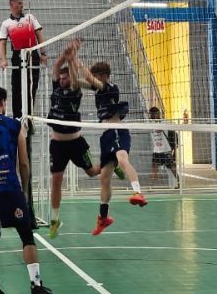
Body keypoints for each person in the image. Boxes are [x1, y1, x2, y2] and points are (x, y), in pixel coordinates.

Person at [0, 86, 54, 294]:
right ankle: (36, 287)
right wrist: (25, 190)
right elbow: (24, 162)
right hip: (9, 186)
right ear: (3, 102)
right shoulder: (13, 125)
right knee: (26, 235)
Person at [46, 40, 102, 238]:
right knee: (56, 181)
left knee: (93, 172)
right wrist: (65, 53)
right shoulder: (56, 89)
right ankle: (54, 220)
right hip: (58, 145)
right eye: (60, 78)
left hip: (76, 143)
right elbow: (55, 67)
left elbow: (74, 75)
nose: (62, 80)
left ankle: (112, 161)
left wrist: (72, 59)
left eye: (65, 78)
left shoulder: (75, 90)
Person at [87, 61, 147, 236]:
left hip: (117, 130)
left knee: (122, 159)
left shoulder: (110, 88)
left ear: (104, 76)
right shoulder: (99, 89)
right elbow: (84, 81)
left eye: (97, 77)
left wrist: (75, 59)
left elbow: (88, 78)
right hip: (105, 135)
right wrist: (71, 64)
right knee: (104, 178)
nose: (94, 80)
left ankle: (138, 193)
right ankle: (103, 218)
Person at [0, 0, 47, 120]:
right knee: (17, 86)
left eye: (22, 4)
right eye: (19, 3)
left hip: (32, 53)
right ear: (12, 4)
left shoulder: (30, 17)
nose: (21, 6)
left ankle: (29, 115)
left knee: (32, 86)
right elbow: (2, 42)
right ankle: (17, 116)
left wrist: (43, 53)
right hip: (17, 55)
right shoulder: (6, 23)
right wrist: (3, 59)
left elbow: (39, 35)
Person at [148, 107, 180, 188]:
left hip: (166, 149)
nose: (155, 115)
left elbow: (174, 135)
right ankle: (152, 185)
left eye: (156, 113)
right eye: (153, 114)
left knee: (172, 167)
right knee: (154, 167)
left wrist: (174, 151)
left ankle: (179, 183)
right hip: (156, 150)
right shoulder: (149, 124)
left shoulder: (164, 123)